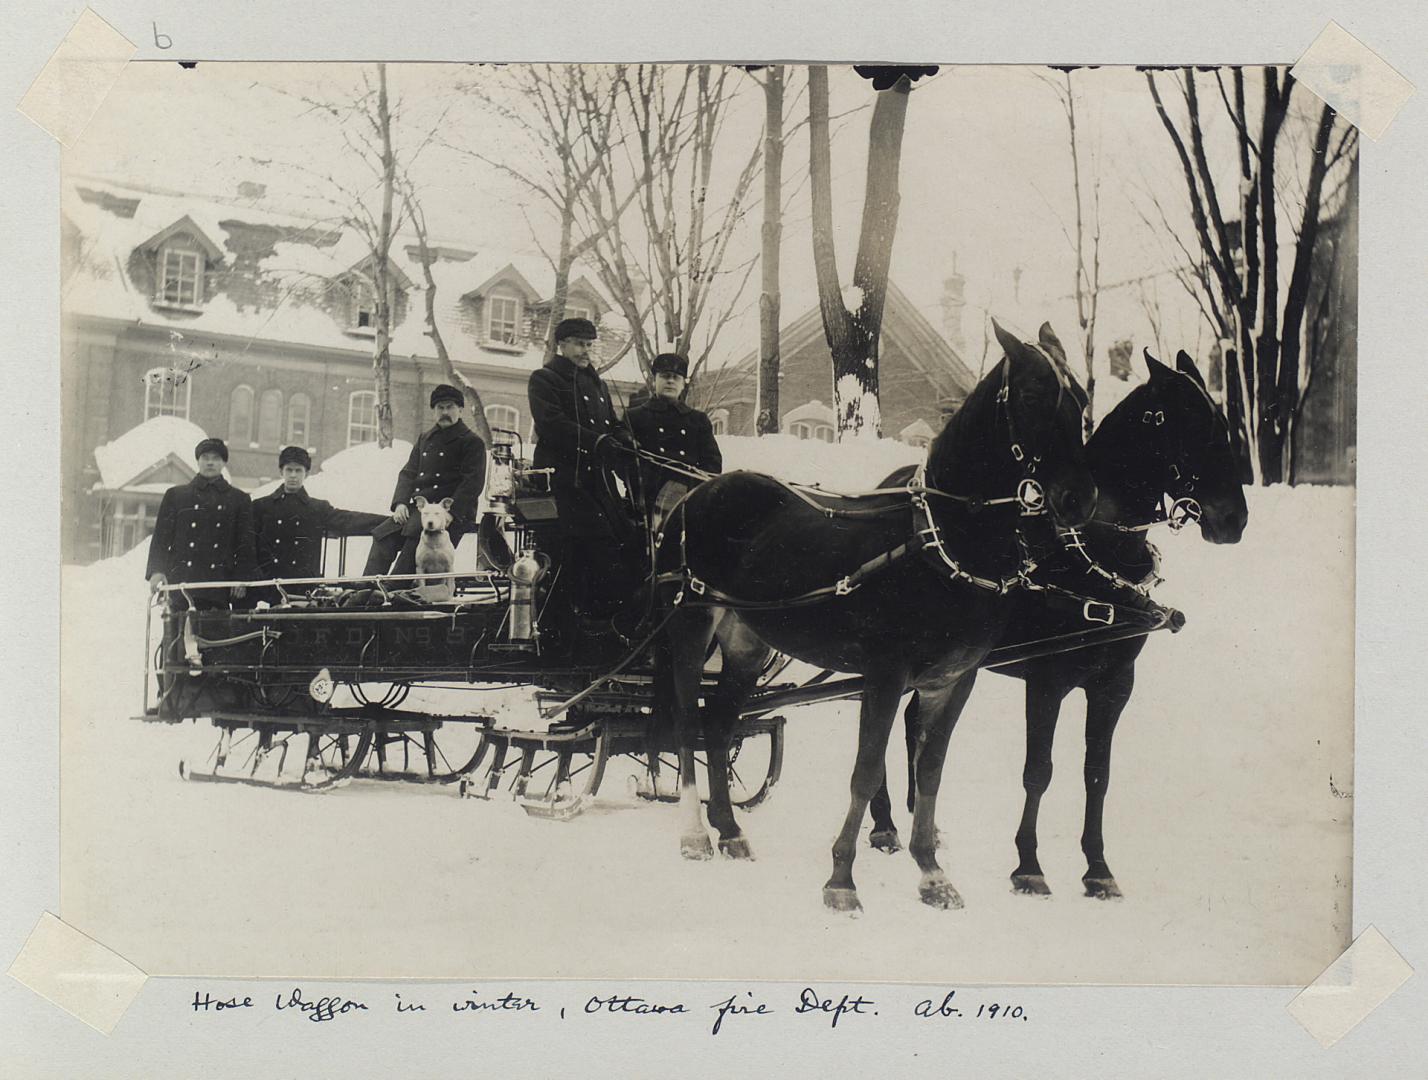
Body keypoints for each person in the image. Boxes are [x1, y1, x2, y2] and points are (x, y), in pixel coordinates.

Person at [526, 316, 640, 629]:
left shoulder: (597, 384)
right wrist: (597, 442)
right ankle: (568, 631)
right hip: (563, 483)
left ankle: (609, 625)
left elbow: (610, 423)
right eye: (578, 344)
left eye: (589, 345)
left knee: (626, 539)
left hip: (597, 484)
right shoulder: (545, 379)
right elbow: (552, 424)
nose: (585, 350)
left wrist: (623, 437)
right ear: (561, 345)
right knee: (583, 552)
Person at [362, 385, 487, 578]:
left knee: (415, 544)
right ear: (433, 411)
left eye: (450, 407)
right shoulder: (425, 438)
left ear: (460, 409)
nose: (445, 412)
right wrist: (401, 502)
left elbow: (472, 483)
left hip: (450, 514)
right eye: (440, 407)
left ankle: (393, 593)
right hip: (420, 510)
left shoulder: (471, 442)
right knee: (383, 535)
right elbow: (408, 472)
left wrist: (450, 513)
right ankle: (364, 589)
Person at [250, 445, 391, 599]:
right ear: (281, 472)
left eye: (298, 471)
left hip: (301, 588)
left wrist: (389, 523)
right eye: (289, 470)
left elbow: (348, 520)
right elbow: (247, 547)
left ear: (307, 474)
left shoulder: (316, 509)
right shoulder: (261, 507)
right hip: (268, 585)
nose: (293, 475)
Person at [146, 437, 256, 609]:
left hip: (218, 585)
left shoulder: (239, 499)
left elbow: (245, 545)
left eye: (216, 458)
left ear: (224, 463)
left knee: (214, 633)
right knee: (176, 634)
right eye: (205, 458)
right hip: (181, 582)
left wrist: (241, 577)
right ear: (198, 460)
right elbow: (161, 538)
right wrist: (157, 570)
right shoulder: (176, 496)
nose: (210, 463)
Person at [623, 351, 722, 532]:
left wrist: (690, 491)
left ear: (683, 384)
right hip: (646, 502)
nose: (670, 381)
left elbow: (712, 465)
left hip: (687, 501)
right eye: (665, 376)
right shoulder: (634, 417)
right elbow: (624, 463)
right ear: (655, 381)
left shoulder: (697, 420)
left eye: (676, 377)